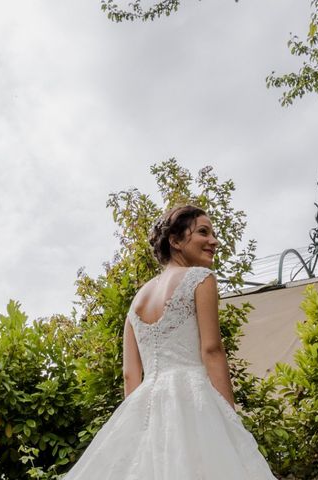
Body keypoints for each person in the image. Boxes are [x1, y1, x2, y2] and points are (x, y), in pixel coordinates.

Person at [61, 205, 277, 479]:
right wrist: (229, 418)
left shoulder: (137, 300)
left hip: (146, 402)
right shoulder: (201, 278)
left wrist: (139, 424)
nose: (214, 241)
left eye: (213, 233)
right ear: (175, 241)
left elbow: (130, 375)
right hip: (194, 401)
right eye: (203, 232)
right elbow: (211, 350)